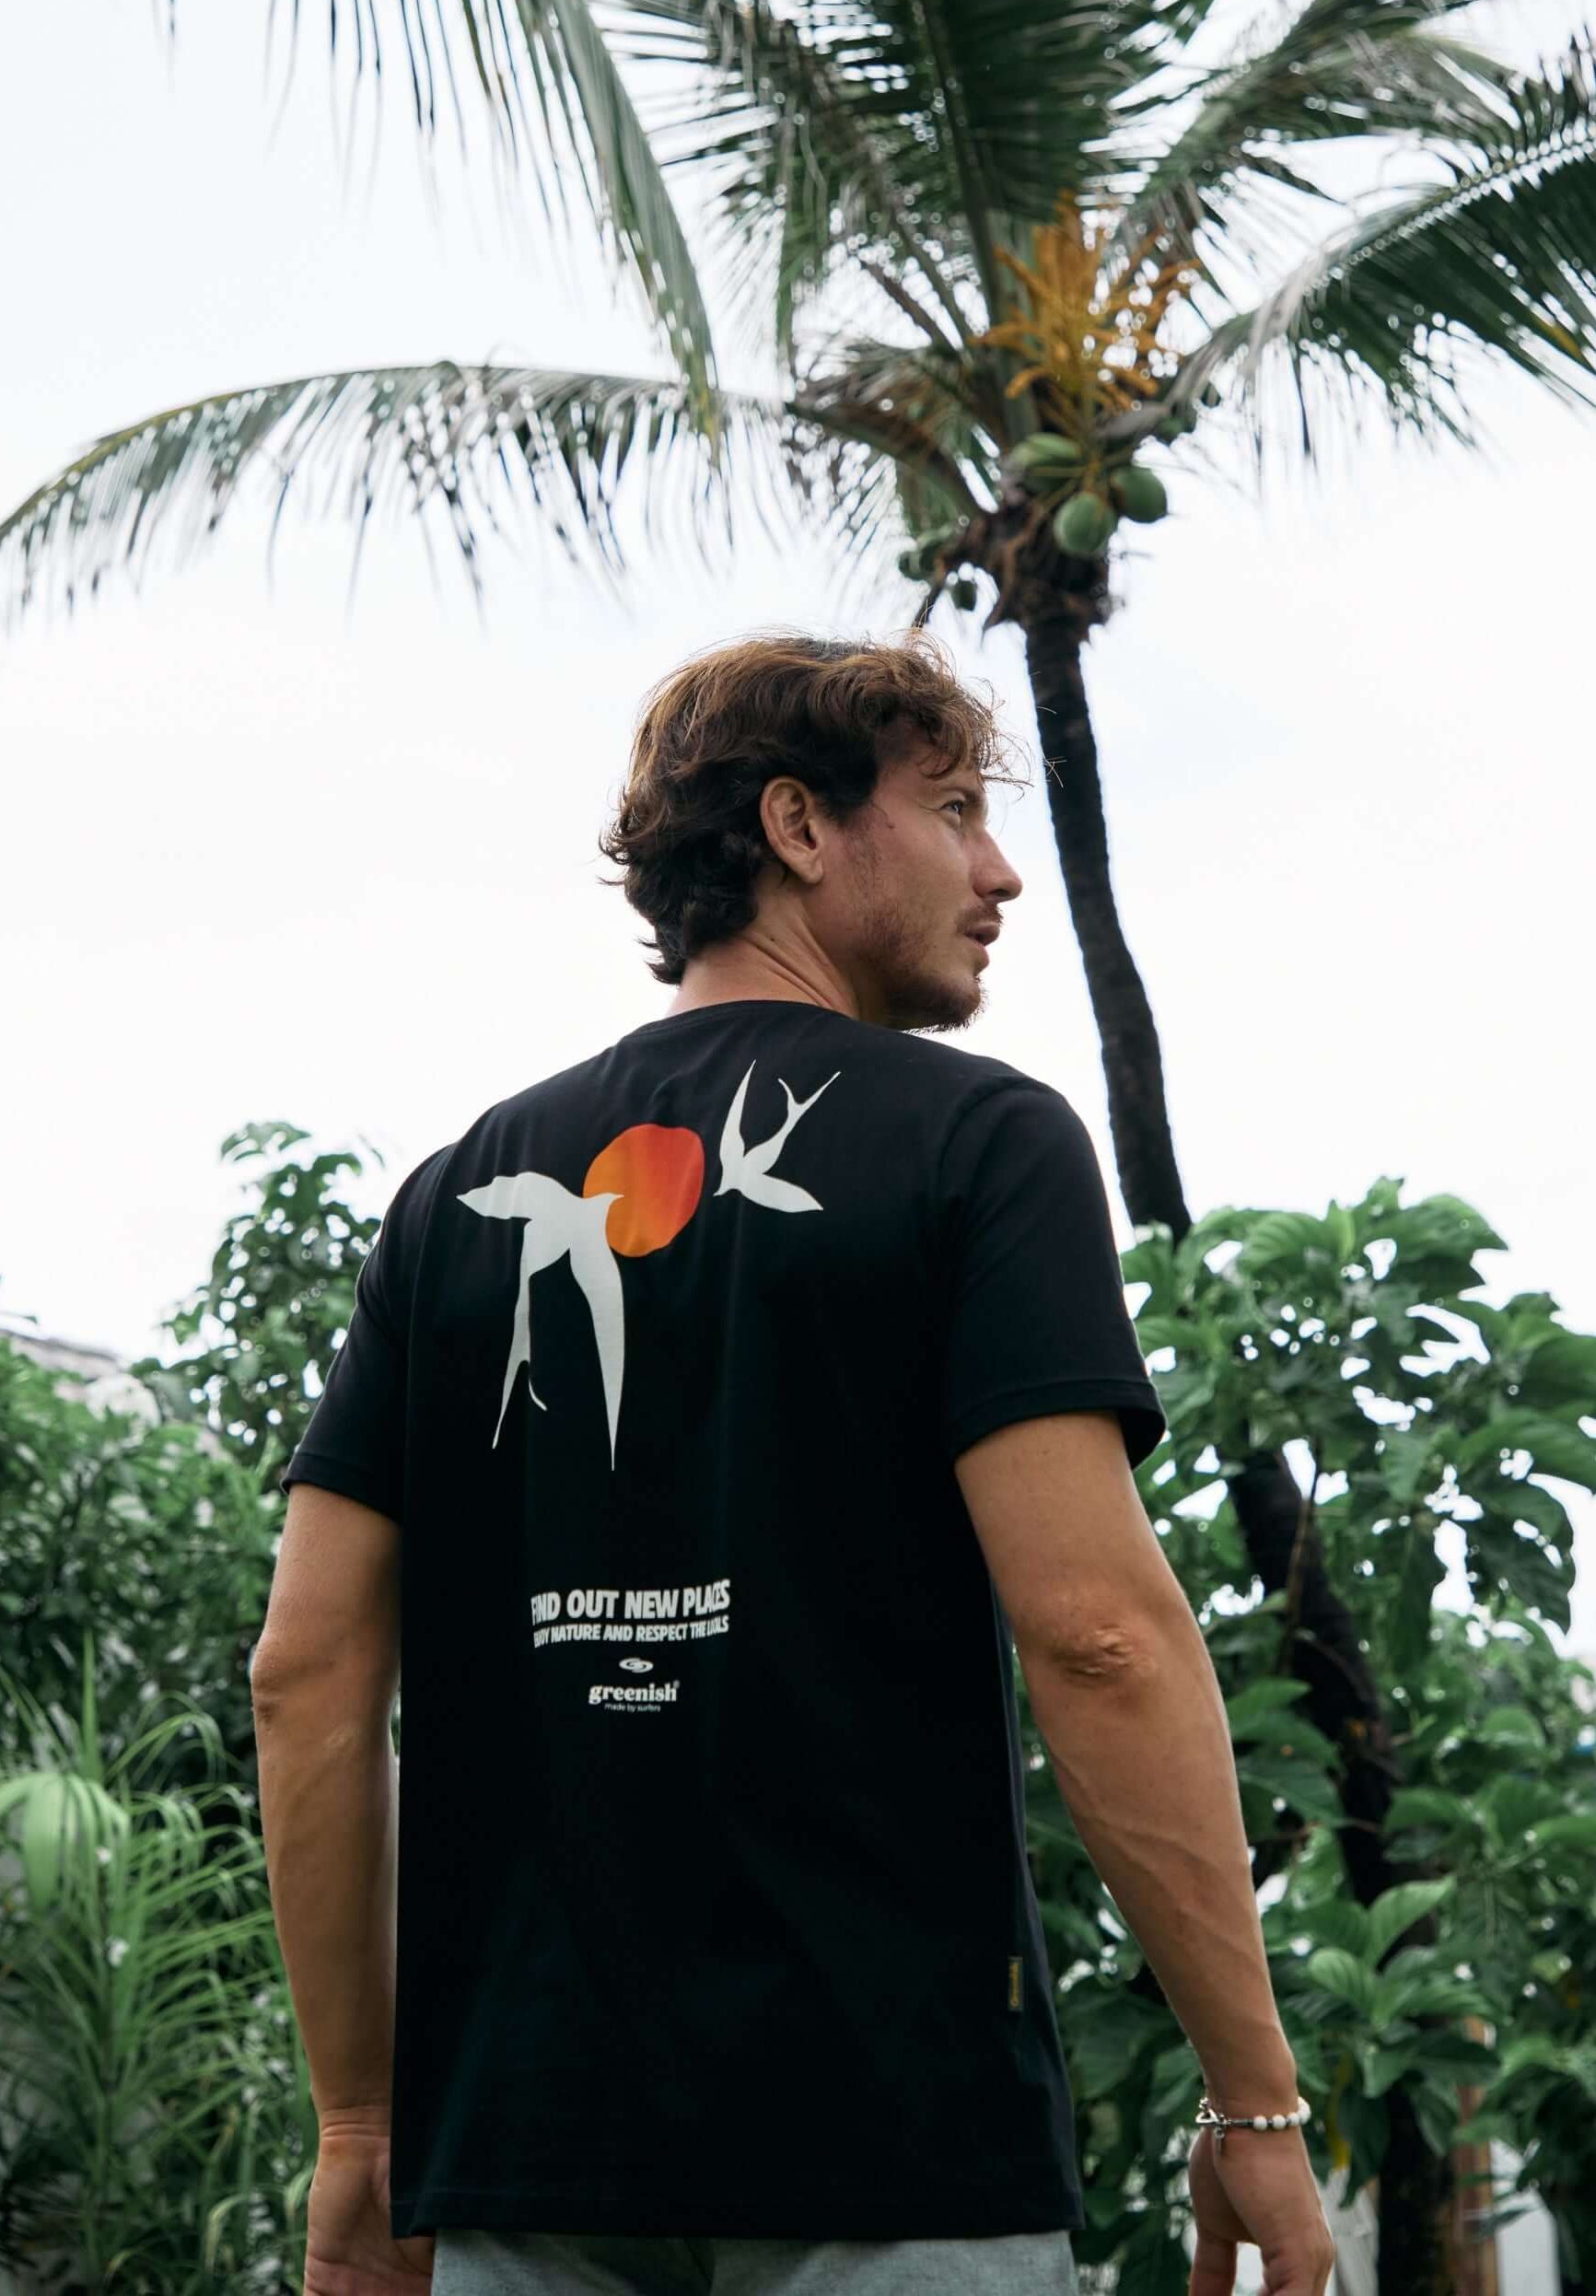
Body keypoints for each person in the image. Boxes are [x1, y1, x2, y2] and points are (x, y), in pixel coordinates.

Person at [252, 630, 1335, 2296]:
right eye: (955, 809)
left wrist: (357, 2126)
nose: (1000, 874)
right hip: (889, 2150)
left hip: (531, 2170)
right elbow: (1099, 1638)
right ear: (799, 827)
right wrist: (1254, 2109)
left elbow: (308, 1675)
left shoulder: (455, 1196)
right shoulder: (980, 1143)